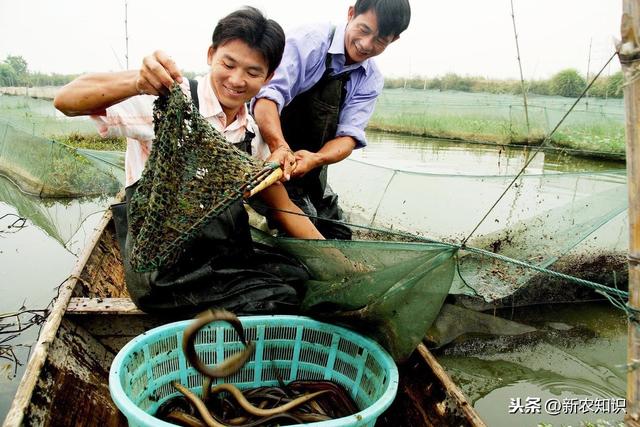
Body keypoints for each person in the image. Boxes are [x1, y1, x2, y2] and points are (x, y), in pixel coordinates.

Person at [54, 7, 321, 316]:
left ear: (268, 77)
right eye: (228, 64)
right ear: (211, 55)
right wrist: (137, 82)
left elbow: (280, 205)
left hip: (222, 257)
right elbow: (66, 101)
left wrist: (335, 257)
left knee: (301, 278)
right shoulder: (169, 102)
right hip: (164, 270)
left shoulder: (252, 134)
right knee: (277, 298)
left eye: (252, 72)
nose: (236, 80)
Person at [253, 0, 411, 240]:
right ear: (351, 14)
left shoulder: (370, 79)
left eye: (381, 40)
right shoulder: (309, 41)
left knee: (339, 235)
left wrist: (316, 159)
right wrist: (280, 147)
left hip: (310, 165)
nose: (366, 45)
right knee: (299, 230)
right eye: (364, 30)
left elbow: (348, 138)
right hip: (267, 153)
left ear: (394, 40)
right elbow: (267, 99)